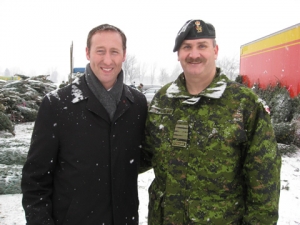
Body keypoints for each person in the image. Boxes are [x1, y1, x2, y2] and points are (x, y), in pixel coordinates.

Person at [143, 19, 281, 224]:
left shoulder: (244, 104)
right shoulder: (163, 100)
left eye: (202, 46)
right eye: (186, 47)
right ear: (178, 54)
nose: (194, 54)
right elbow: (144, 153)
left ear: (215, 51)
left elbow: (264, 181)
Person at [21, 24, 148, 225]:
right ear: (88, 53)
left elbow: (140, 157)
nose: (107, 60)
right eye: (100, 51)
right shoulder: (57, 105)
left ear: (124, 55)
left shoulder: (137, 104)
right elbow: (35, 181)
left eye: (114, 51)